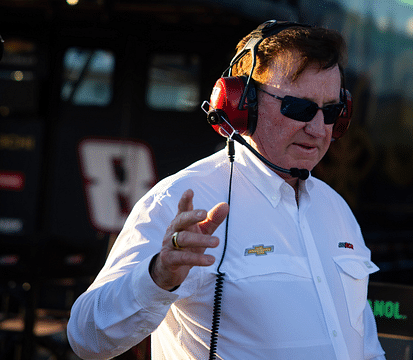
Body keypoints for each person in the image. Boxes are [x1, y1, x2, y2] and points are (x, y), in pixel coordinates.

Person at [67, 20, 386, 360]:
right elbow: (87, 337)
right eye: (299, 108)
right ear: (241, 103)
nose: (318, 128)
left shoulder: (335, 209)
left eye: (332, 111)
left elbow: (364, 347)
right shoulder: (182, 200)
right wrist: (159, 276)